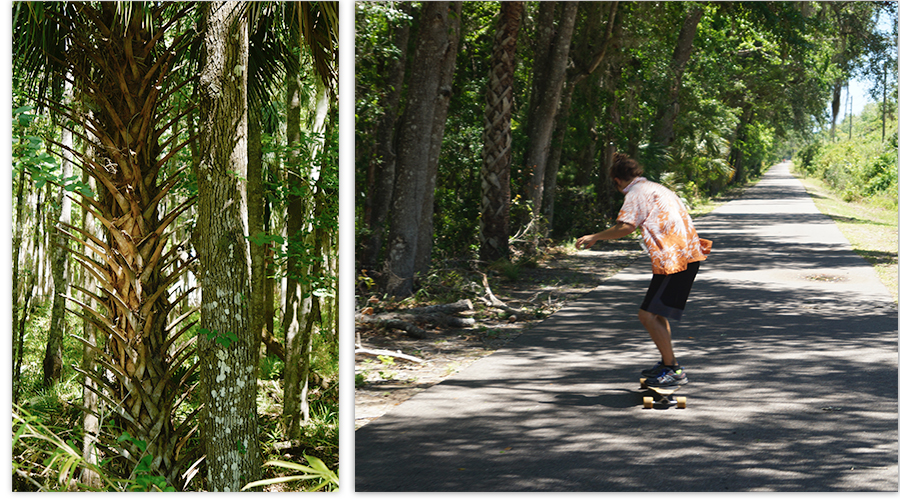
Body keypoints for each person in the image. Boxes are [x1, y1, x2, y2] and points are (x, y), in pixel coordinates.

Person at [576, 153, 711, 387]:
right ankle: (667, 364)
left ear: (617, 180)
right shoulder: (656, 188)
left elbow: (626, 227)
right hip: (685, 255)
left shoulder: (635, 193)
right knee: (656, 313)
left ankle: (673, 370)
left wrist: (595, 237)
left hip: (675, 258)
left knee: (646, 315)